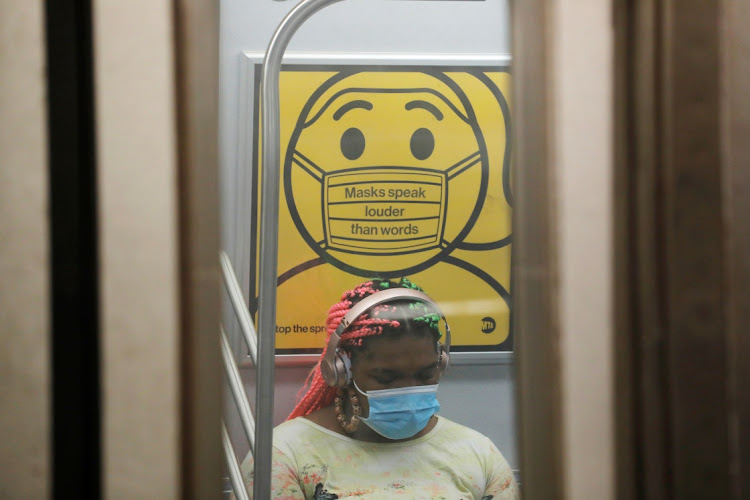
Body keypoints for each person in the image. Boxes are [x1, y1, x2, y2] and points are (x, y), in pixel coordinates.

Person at [238, 278, 518, 499]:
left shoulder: (477, 454)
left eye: (424, 374)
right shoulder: (283, 457)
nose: (409, 390)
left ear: (441, 363)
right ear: (341, 370)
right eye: (386, 377)